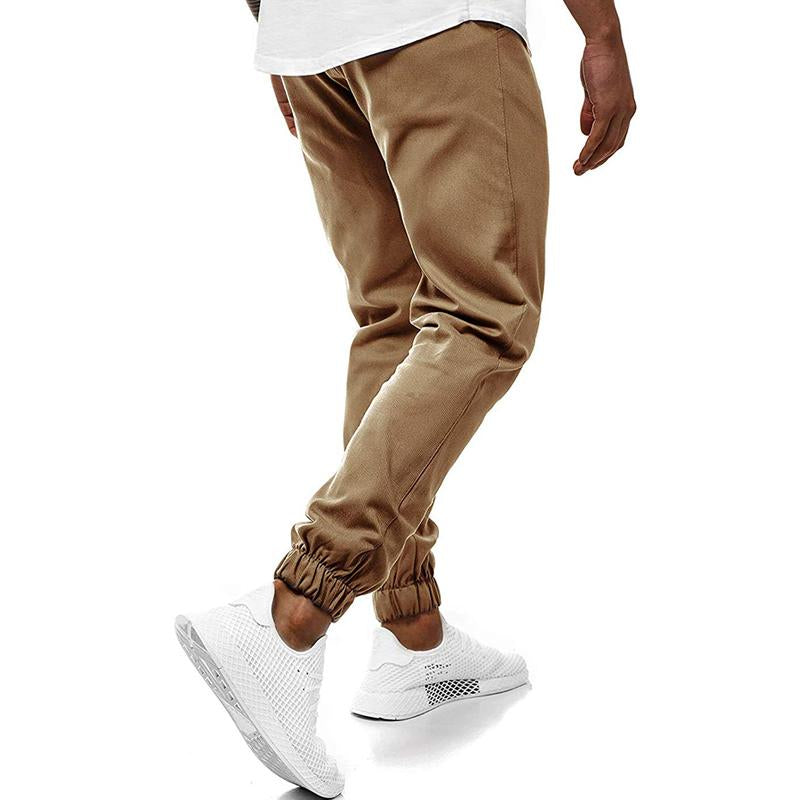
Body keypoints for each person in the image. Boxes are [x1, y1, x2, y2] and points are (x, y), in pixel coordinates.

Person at [176, 0, 635, 796]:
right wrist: (602, 31)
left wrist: (276, 25)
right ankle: (296, 607)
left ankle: (411, 633)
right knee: (484, 316)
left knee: (397, 314)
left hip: (310, 38)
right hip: (440, 21)